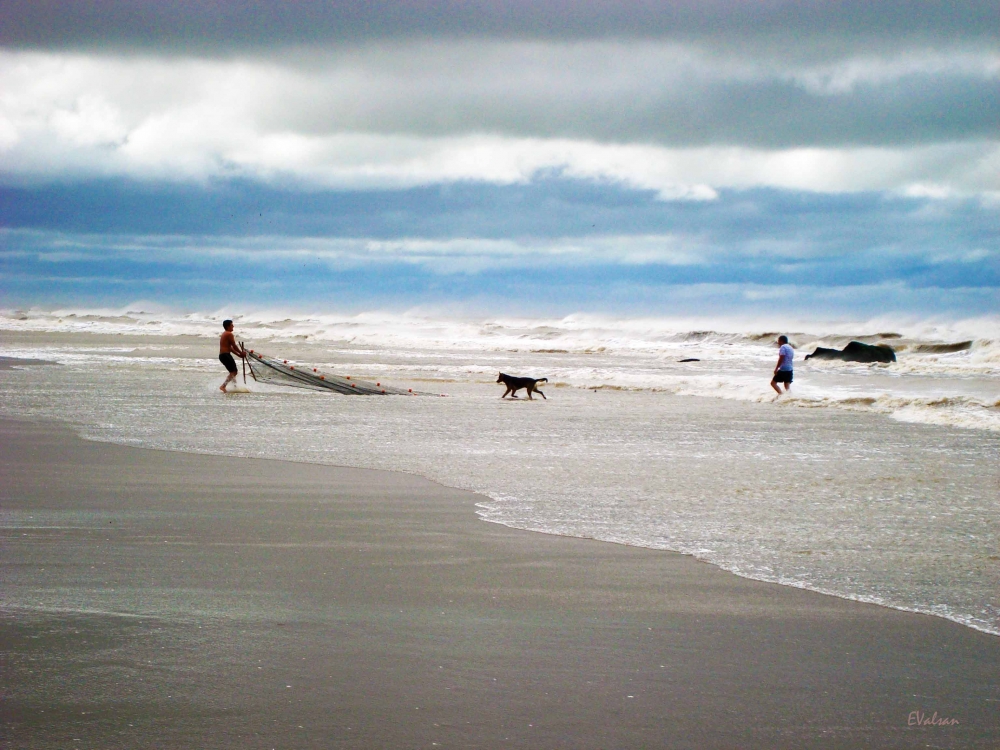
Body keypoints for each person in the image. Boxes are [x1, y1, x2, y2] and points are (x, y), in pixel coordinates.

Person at [219, 319, 246, 393]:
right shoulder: (229, 334)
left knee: (232, 372)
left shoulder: (225, 333)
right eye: (231, 325)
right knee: (234, 372)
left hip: (223, 355)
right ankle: (223, 386)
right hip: (225, 355)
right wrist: (241, 353)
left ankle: (235, 387)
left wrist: (239, 354)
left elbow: (230, 348)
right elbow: (234, 346)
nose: (233, 326)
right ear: (228, 326)